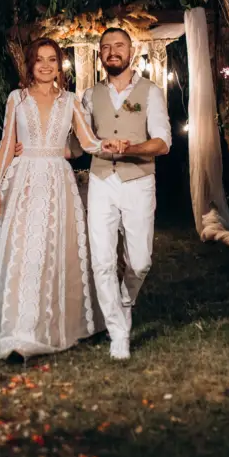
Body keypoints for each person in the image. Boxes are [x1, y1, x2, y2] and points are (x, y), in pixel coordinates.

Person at [0, 38, 123, 359]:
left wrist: (108, 145)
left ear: (59, 65)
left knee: (53, 253)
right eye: (39, 59)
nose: (45, 65)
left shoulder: (70, 101)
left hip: (57, 183)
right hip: (24, 182)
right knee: (23, 253)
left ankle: (49, 327)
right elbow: (6, 144)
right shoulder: (17, 98)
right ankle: (18, 332)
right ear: (30, 64)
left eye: (51, 59)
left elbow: (88, 141)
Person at [83, 28, 171, 360]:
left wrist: (130, 148)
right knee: (102, 262)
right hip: (101, 180)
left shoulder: (151, 91)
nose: (112, 51)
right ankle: (118, 333)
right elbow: (80, 142)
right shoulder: (90, 95)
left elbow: (163, 143)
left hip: (138, 181)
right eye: (106, 47)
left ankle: (124, 301)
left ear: (131, 52)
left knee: (141, 261)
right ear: (100, 55)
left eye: (119, 45)